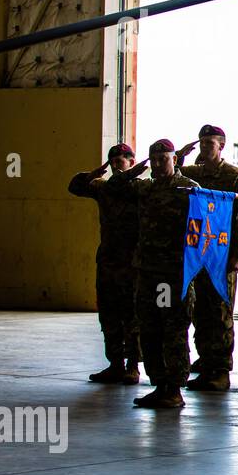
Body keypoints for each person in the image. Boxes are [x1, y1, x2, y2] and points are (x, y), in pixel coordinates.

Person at [102, 139, 200, 409]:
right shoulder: (145, 188)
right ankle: (159, 384)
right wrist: (139, 168)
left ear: (174, 160)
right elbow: (114, 185)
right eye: (153, 160)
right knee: (150, 329)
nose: (157, 165)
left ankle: (174, 388)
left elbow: (203, 232)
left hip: (173, 275)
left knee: (173, 330)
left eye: (163, 159)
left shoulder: (189, 190)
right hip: (148, 273)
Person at [177, 124, 238, 392]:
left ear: (221, 145)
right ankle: (207, 364)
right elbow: (170, 175)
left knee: (220, 314)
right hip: (198, 254)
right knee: (200, 312)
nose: (205, 146)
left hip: (222, 256)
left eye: (210, 142)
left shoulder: (234, 176)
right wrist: (180, 156)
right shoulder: (193, 174)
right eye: (202, 142)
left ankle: (220, 371)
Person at [68, 143, 142, 385]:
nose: (119, 161)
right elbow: (75, 187)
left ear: (132, 162)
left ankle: (133, 366)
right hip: (109, 260)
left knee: (131, 315)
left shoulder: (140, 188)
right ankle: (115, 364)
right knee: (109, 314)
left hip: (131, 261)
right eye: (114, 158)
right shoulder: (104, 188)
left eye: (124, 157)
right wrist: (93, 174)